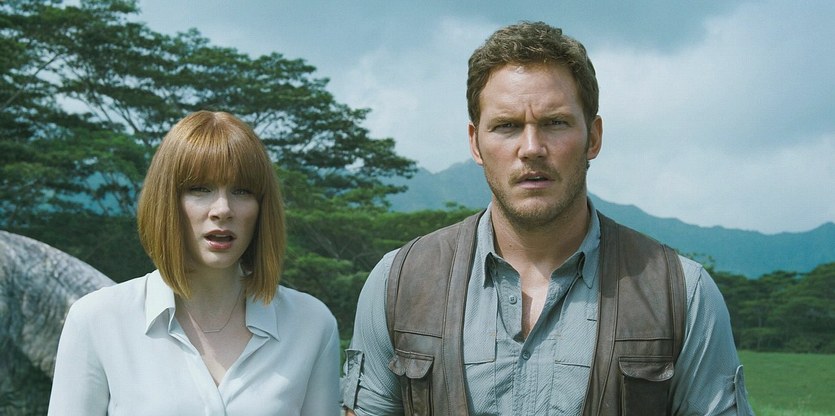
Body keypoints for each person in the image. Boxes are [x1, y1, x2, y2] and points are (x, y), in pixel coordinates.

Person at [342, 22, 753, 415]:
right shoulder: (399, 282)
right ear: (475, 143)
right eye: (506, 126)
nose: (531, 148)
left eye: (555, 123)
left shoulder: (681, 293)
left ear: (593, 137)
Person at [49, 111, 341, 415]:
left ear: (261, 207)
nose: (223, 209)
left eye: (242, 190)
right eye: (200, 189)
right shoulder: (98, 319)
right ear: (167, 200)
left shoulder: (311, 324)